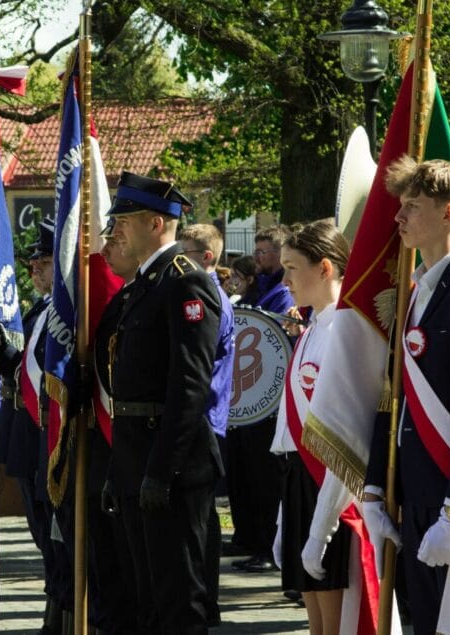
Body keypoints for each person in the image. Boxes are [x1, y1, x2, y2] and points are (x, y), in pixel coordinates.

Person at [362, 158, 450, 635]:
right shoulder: (412, 292)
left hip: (446, 494)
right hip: (409, 492)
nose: (398, 219)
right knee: (419, 621)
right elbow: (391, 396)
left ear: (448, 213)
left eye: (412, 207)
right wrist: (375, 487)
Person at [105, 171, 222, 632]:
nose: (115, 230)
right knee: (147, 600)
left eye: (125, 220)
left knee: (179, 600)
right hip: (137, 457)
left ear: (156, 224)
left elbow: (189, 385)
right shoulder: (143, 285)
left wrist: (162, 470)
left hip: (171, 464)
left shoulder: (184, 283)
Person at [266, 220, 357, 634]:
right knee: (314, 615)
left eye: (292, 267)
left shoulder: (343, 329)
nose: (285, 279)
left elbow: (343, 430)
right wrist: (288, 514)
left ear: (325, 268)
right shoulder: (312, 327)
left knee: (336, 613)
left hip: (329, 484)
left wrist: (323, 525)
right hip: (301, 476)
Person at [0, 217, 64, 631]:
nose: (33, 269)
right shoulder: (40, 308)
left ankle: (62, 610)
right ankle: (54, 606)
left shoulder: (65, 312)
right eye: (32, 263)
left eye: (43, 262)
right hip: (26, 428)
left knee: (56, 534)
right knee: (42, 531)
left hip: (48, 431)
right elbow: (23, 369)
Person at [226, 228, 295, 574]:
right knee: (245, 475)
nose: (258, 256)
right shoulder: (259, 290)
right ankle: (251, 538)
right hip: (249, 401)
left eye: (265, 251)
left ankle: (268, 545)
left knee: (266, 481)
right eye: (257, 250)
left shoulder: (284, 295)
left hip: (270, 403)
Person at [179, 223, 236, 626]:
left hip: (204, 418)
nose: (179, 263)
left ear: (208, 258)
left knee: (199, 521)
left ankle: (205, 602)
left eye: (187, 255)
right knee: (202, 520)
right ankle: (205, 600)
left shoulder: (208, 295)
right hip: (203, 417)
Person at [89, 220, 138, 633]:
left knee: (155, 583)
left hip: (147, 448)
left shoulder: (177, 289)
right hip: (118, 450)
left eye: (116, 240)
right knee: (112, 560)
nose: (103, 252)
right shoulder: (125, 300)